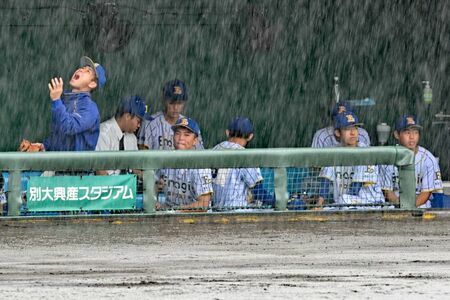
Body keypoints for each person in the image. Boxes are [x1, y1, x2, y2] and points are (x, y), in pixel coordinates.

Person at [22, 56, 106, 152]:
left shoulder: (90, 108)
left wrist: (56, 99)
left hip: (76, 166)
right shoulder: (66, 101)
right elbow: (60, 136)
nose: (81, 69)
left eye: (88, 71)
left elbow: (69, 127)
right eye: (82, 67)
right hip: (58, 165)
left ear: (92, 84)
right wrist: (42, 146)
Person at [317, 112, 385, 208]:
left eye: (355, 128)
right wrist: (319, 204)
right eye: (347, 129)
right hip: (348, 203)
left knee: (343, 200)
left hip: (372, 202)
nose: (353, 133)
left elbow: (355, 188)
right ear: (337, 132)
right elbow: (325, 181)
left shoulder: (366, 152)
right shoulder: (333, 152)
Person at [381, 115, 443, 208]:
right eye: (407, 132)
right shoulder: (388, 158)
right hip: (395, 204)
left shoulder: (428, 159)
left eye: (415, 132)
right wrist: (400, 205)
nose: (412, 137)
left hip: (420, 205)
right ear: (397, 134)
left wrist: (409, 207)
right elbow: (387, 191)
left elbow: (426, 193)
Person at [156, 117, 212, 210]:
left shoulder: (201, 166)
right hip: (170, 214)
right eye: (177, 133)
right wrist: (154, 201)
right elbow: (153, 184)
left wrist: (177, 211)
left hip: (196, 219)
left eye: (187, 135)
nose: (181, 138)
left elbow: (203, 204)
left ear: (195, 141)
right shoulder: (166, 159)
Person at [211, 117, 264, 209]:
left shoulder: (215, 149)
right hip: (236, 214)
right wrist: (280, 201)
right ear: (250, 136)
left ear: (227, 132)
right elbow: (258, 191)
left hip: (214, 211)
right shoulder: (245, 156)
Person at [140, 79, 203, 150]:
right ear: (164, 100)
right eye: (171, 103)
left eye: (179, 103)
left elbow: (200, 156)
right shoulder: (150, 123)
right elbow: (143, 156)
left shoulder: (191, 126)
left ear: (184, 103)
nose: (175, 107)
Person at [95, 95, 146, 175]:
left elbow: (134, 169)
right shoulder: (104, 133)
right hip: (107, 185)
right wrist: (117, 186)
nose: (139, 125)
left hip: (127, 186)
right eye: (138, 121)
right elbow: (100, 171)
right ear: (127, 116)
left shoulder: (132, 138)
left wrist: (147, 178)